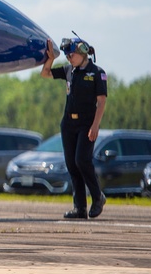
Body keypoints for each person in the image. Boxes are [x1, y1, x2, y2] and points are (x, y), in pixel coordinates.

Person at [41, 36, 108, 219]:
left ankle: (97, 197)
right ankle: (79, 208)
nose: (69, 58)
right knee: (72, 165)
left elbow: (101, 102)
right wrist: (51, 58)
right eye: (67, 55)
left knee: (82, 161)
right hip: (68, 124)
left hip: (87, 124)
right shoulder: (69, 70)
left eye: (71, 54)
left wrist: (95, 125)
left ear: (82, 52)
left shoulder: (97, 73)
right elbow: (45, 73)